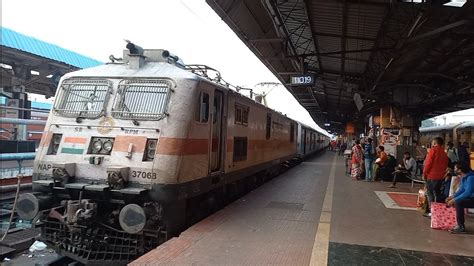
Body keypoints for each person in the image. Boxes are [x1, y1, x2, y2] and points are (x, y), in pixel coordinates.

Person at [423, 137, 449, 217]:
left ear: (434, 142)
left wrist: (424, 173)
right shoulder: (444, 153)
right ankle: (438, 210)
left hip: (431, 176)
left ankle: (432, 211)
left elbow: (428, 163)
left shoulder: (433, 150)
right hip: (440, 177)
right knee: (437, 193)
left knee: (430, 193)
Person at [446, 161, 474, 234]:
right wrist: (452, 197)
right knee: (458, 202)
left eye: (455, 168)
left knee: (459, 202)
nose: (454, 169)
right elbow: (462, 189)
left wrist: (455, 200)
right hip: (471, 198)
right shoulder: (464, 177)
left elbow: (468, 192)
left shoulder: (471, 178)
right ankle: (460, 225)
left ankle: (461, 226)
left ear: (460, 170)